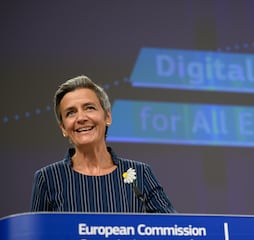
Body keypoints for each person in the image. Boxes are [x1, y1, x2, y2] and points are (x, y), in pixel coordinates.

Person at [30, 75, 176, 213]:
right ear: (63, 128)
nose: (81, 118)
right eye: (71, 113)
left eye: (89, 108)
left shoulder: (140, 173)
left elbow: (174, 230)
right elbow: (35, 236)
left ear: (107, 117)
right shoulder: (48, 178)